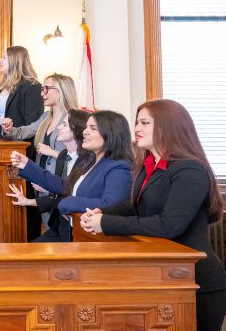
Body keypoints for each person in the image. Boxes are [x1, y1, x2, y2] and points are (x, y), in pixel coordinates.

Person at [79, 100, 226, 330]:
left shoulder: (190, 169)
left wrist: (106, 223)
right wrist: (101, 212)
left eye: (145, 122)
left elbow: (169, 225)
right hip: (163, 276)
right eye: (137, 122)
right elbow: (134, 206)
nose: (137, 128)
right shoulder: (149, 165)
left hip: (197, 280)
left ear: (168, 127)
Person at [10, 110, 133, 241]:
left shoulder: (119, 167)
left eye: (92, 128)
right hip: (71, 231)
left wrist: (68, 202)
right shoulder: (92, 160)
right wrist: (27, 165)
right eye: (86, 127)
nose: (85, 132)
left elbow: (110, 204)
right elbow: (66, 185)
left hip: (92, 239)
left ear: (110, 134)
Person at [2, 74, 79, 232]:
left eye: (46, 88)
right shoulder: (46, 117)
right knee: (49, 225)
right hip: (40, 180)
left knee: (62, 227)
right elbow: (24, 131)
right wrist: (9, 130)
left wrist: (51, 152)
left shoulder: (73, 119)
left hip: (60, 183)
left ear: (61, 91)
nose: (42, 93)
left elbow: (79, 158)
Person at [6, 109, 90, 242]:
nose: (58, 127)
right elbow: (60, 192)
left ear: (76, 130)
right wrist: (28, 201)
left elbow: (66, 189)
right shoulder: (63, 156)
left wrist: (27, 165)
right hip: (59, 226)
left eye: (64, 125)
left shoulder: (88, 160)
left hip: (78, 229)